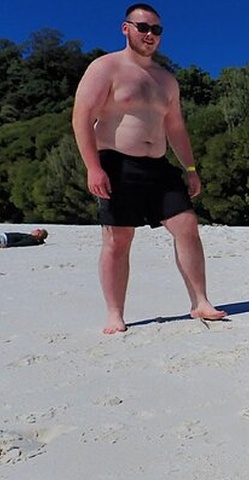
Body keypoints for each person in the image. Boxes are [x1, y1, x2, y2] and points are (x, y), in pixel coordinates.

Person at [72, 3, 226, 334]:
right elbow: (81, 117)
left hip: (158, 165)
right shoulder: (105, 68)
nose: (150, 35)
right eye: (143, 27)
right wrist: (93, 168)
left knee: (187, 225)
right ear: (125, 28)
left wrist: (191, 167)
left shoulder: (166, 80)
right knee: (118, 239)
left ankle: (200, 301)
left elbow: (176, 128)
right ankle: (115, 313)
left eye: (156, 30)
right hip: (115, 161)